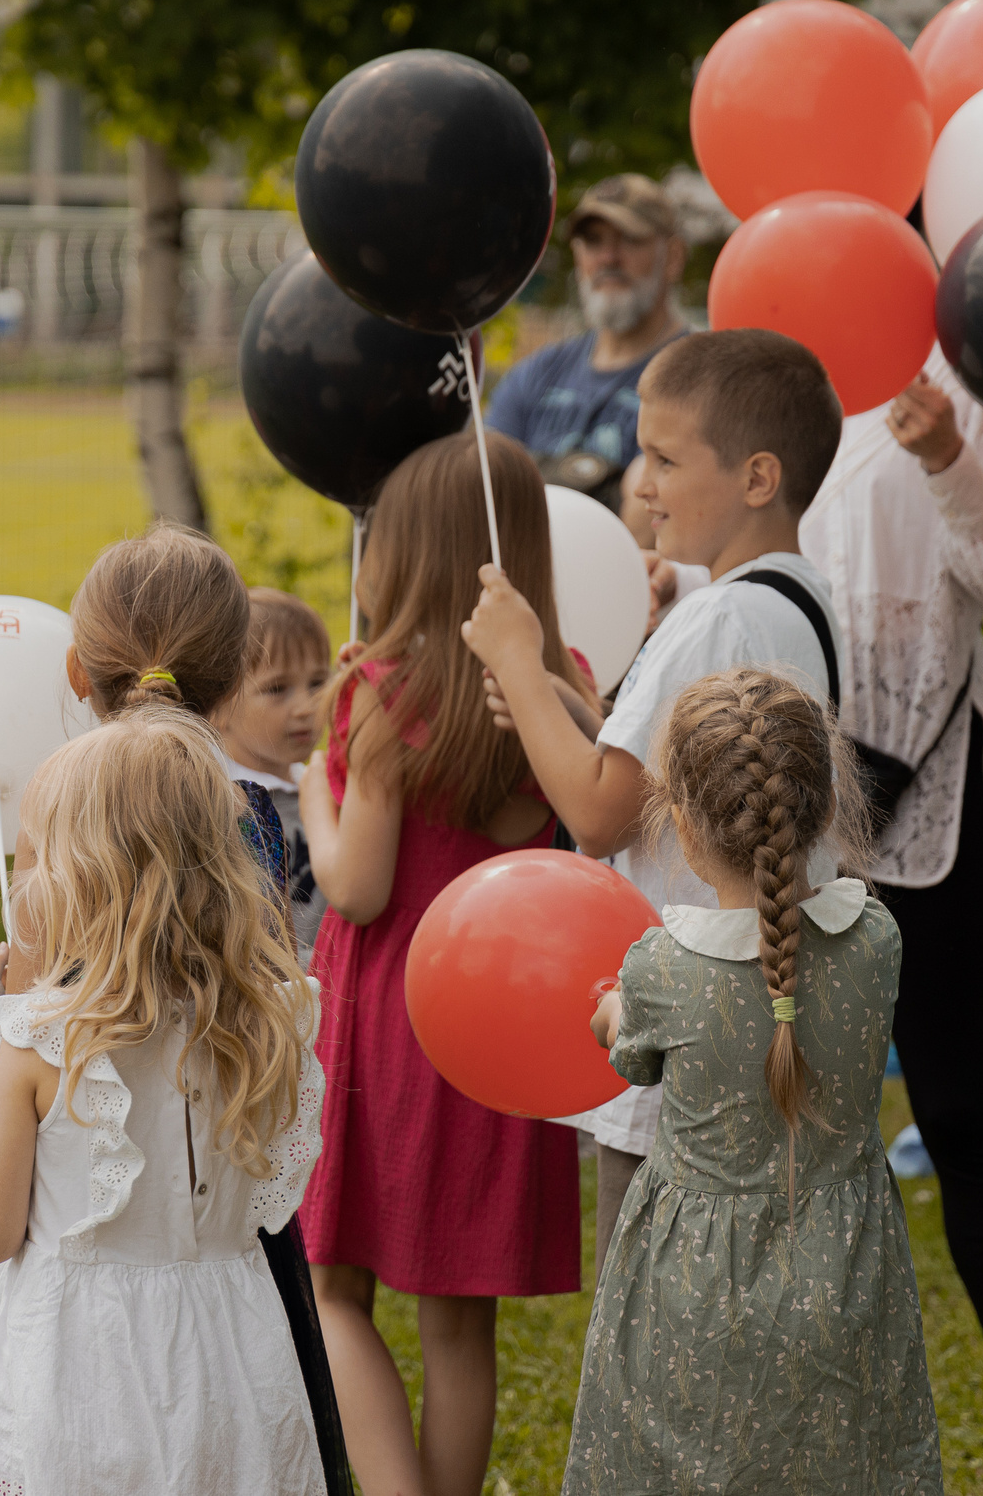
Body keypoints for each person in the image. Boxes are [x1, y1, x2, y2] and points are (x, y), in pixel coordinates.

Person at [0, 525, 348, 1496]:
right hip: (231, 1333)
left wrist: (8, 1053)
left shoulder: (43, 1012)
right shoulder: (266, 1007)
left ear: (72, 670)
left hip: (76, 1357)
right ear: (228, 678)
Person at [465, 328, 846, 1274]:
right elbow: (657, 778)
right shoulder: (799, 602)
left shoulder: (716, 614)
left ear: (759, 476)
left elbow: (600, 810)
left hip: (688, 1031)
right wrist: (567, 712)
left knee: (648, 1309)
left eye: (668, 459)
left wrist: (516, 653)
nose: (642, 483)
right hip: (761, 1012)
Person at [797, 349, 983, 1493]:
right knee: (801, 1120)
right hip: (788, 789)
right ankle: (809, 1424)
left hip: (926, 808)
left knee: (957, 1108)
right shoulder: (792, 344)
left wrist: (948, 456)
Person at [295, 432, 595, 1496]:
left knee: (333, 1291)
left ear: (408, 551)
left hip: (389, 1012)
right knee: (460, 1324)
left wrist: (312, 790)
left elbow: (358, 887)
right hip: (504, 1019)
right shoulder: (564, 685)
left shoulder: (375, 686)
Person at [566, 667, 944, 1495]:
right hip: (844, 1266)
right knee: (840, 1457)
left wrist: (607, 1008)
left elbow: (625, 1047)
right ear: (821, 807)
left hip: (694, 1285)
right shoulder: (876, 937)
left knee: (683, 1459)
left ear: (684, 830)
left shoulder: (664, 966)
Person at [0, 711, 327, 1495]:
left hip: (82, 1375)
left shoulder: (35, 1041)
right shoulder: (268, 1019)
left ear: (76, 876)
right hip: (233, 1355)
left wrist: (1, 1105)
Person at [485, 173, 689, 510]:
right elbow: (486, 490)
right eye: (593, 241)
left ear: (674, 257)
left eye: (630, 239)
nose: (608, 258)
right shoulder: (537, 373)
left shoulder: (702, 375)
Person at [215, 587, 335, 959]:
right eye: (277, 688)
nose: (306, 706)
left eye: (317, 682)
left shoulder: (327, 784)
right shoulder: (224, 804)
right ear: (218, 705)